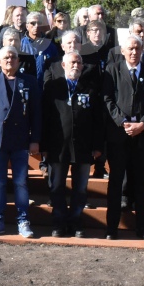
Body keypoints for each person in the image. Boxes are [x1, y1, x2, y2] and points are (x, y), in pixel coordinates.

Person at [102, 34, 144, 241]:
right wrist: (122, 122)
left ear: (142, 50)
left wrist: (143, 124)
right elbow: (107, 100)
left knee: (143, 184)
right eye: (130, 49)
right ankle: (111, 228)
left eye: (138, 48)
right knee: (116, 182)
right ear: (123, 50)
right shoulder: (112, 70)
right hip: (119, 136)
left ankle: (143, 228)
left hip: (143, 137)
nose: (134, 52)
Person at [0, 46, 42, 238]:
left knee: (20, 182)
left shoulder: (29, 81)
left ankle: (23, 220)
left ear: (18, 61)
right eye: (5, 57)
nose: (9, 60)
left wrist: (35, 140)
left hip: (21, 140)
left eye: (13, 57)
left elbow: (36, 113)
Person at [41, 51, 102, 238]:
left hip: (83, 147)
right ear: (63, 65)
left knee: (80, 189)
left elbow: (98, 119)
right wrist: (43, 145)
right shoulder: (52, 87)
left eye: (79, 62)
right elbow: (44, 118)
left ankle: (76, 222)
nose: (75, 65)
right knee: (57, 187)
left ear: (83, 66)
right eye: (72, 62)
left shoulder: (91, 88)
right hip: (57, 147)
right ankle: (59, 223)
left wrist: (98, 145)